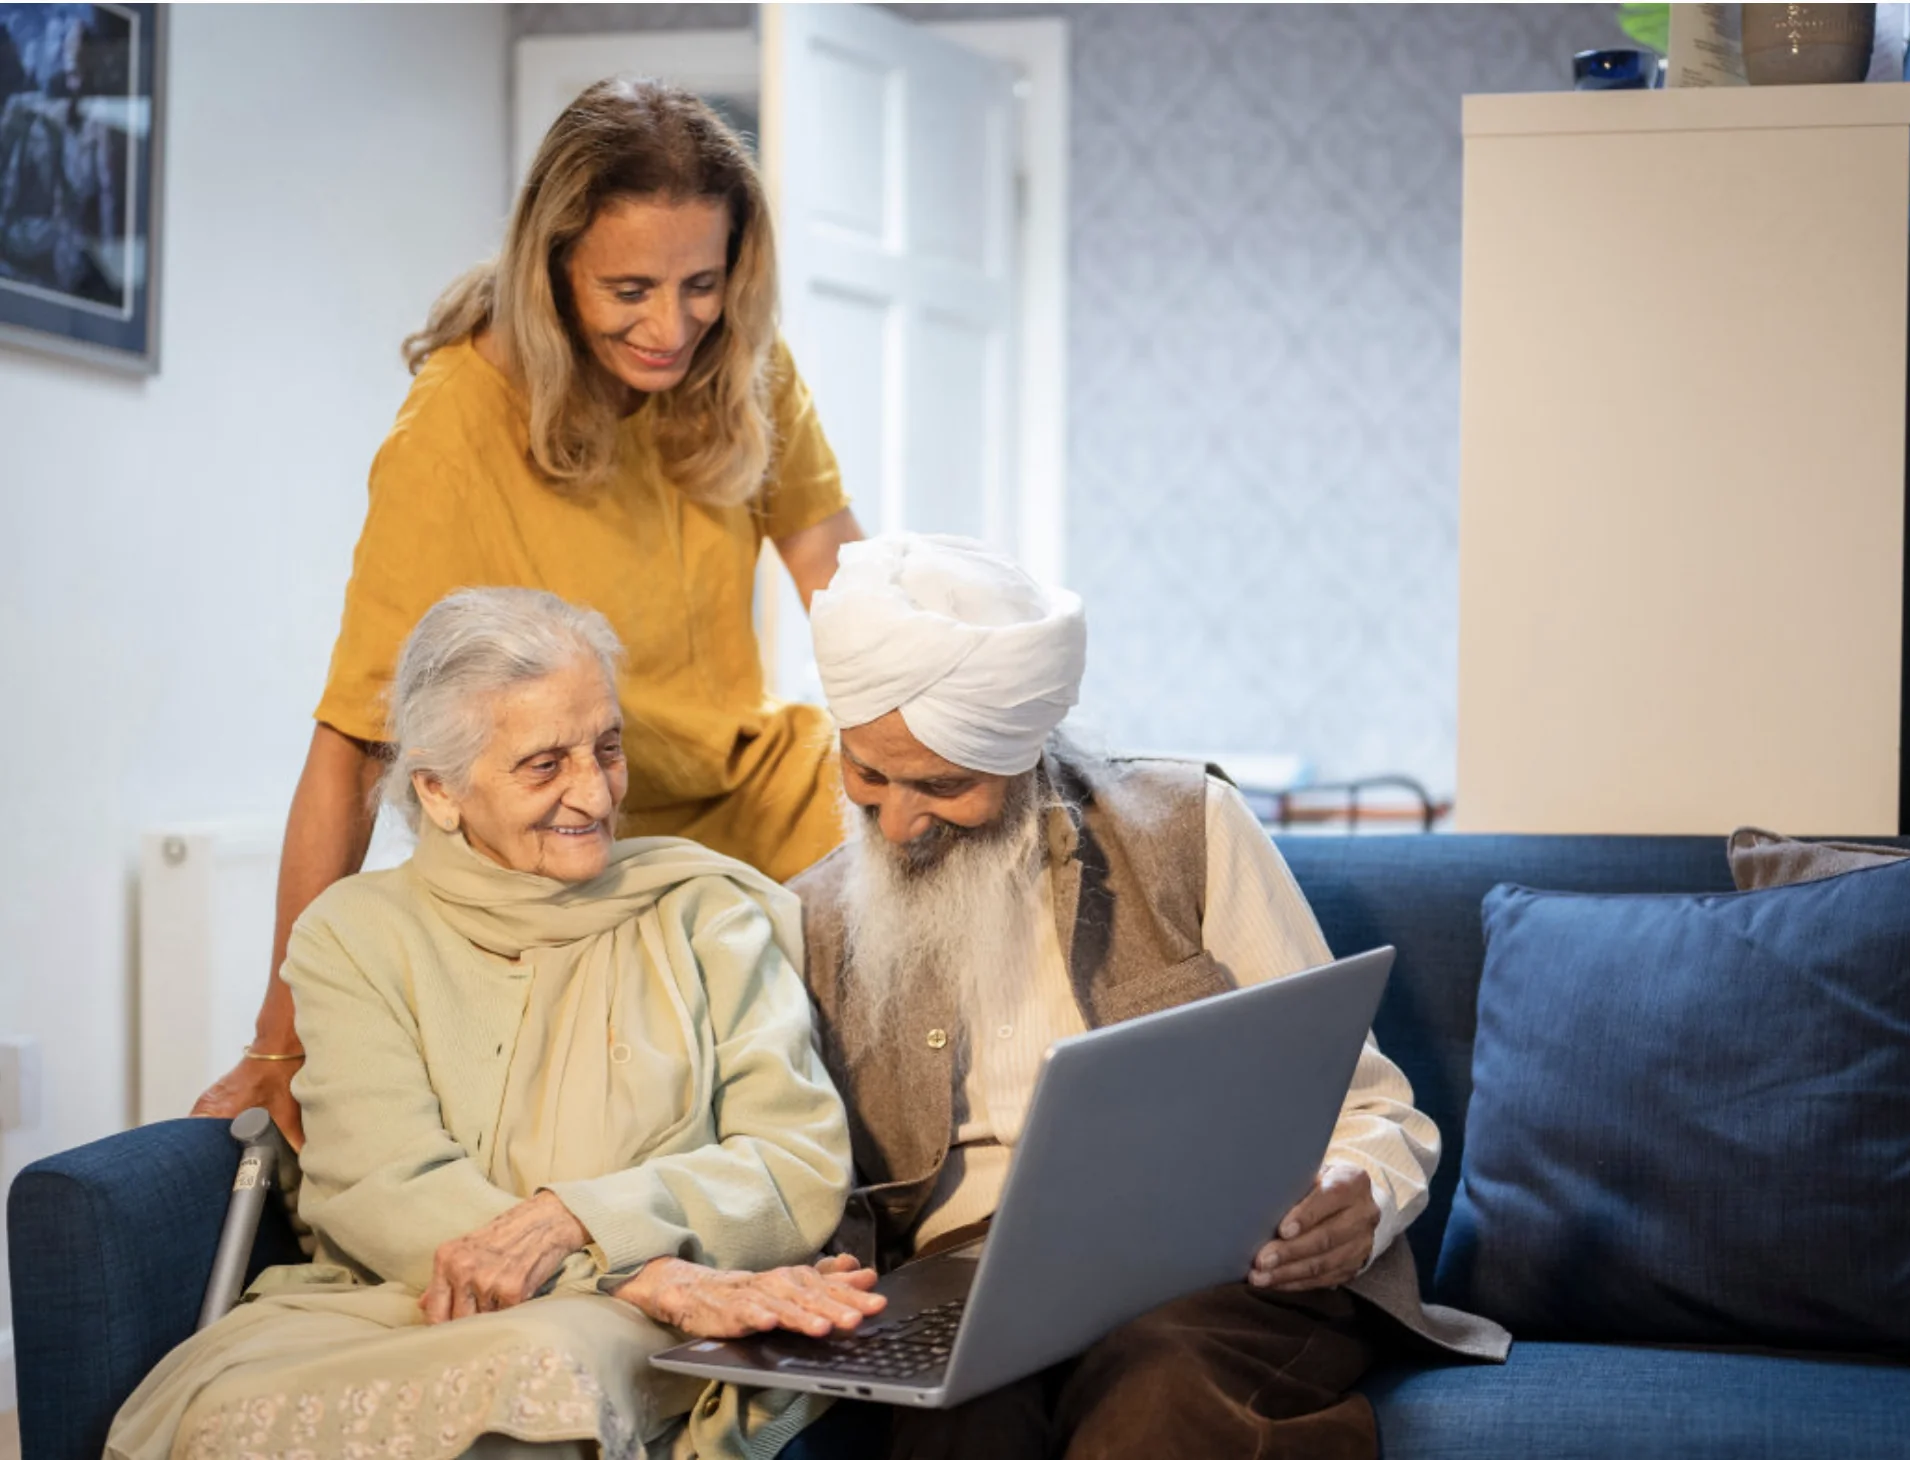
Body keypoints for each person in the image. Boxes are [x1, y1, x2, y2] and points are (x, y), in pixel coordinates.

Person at [194, 79, 863, 1145]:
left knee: (1005, 829)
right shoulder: (452, 426)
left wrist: (914, 740)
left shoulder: (739, 360)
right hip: (580, 830)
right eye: (630, 289)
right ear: (551, 269)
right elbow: (357, 741)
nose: (672, 326)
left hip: (744, 783)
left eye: (701, 283)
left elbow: (832, 565)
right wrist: (280, 1039)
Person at [110, 588, 884, 1460]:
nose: (593, 792)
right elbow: (384, 1184)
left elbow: (794, 1163)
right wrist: (634, 1273)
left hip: (664, 1320)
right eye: (544, 766)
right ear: (439, 790)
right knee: (238, 1406)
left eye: (608, 747)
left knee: (547, 1364)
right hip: (413, 1304)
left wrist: (578, 1219)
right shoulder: (352, 935)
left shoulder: (705, 910)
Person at [789, 535, 1510, 1460]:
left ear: (1022, 752)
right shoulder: (811, 916)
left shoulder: (1187, 827)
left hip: (1213, 1272)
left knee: (1156, 1386)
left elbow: (1370, 1108)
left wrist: (1361, 1193)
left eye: (944, 784)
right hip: (965, 1286)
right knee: (964, 1417)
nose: (897, 821)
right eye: (866, 774)